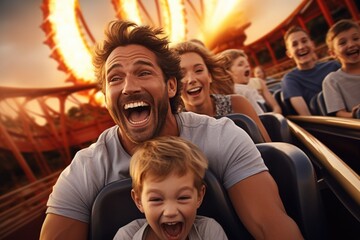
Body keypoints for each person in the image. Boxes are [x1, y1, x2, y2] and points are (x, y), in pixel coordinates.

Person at [40, 20, 303, 240]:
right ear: (106, 96)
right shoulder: (84, 170)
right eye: (115, 78)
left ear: (171, 87)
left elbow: (271, 227)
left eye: (143, 72)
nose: (129, 87)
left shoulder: (223, 136)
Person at [113, 136, 228, 239]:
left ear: (199, 196)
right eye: (156, 199)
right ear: (139, 201)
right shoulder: (126, 236)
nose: (170, 212)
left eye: (183, 198)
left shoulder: (208, 232)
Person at [172, 41, 271, 142]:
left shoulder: (237, 104)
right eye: (182, 74)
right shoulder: (175, 125)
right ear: (173, 84)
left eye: (198, 70)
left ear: (209, 76)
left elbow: (269, 149)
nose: (191, 79)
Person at [282, 25, 340, 115]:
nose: (301, 47)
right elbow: (306, 115)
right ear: (289, 53)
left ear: (312, 45)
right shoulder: (290, 79)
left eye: (304, 41)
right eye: (295, 44)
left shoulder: (333, 65)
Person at [216, 49, 281, 114]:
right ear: (227, 71)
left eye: (247, 64)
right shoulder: (229, 94)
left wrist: (274, 117)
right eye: (240, 64)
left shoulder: (258, 82)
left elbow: (276, 107)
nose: (247, 66)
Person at [322, 19, 360, 118]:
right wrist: (355, 114)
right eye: (343, 43)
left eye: (356, 39)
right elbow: (339, 114)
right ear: (333, 53)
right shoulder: (332, 80)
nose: (351, 44)